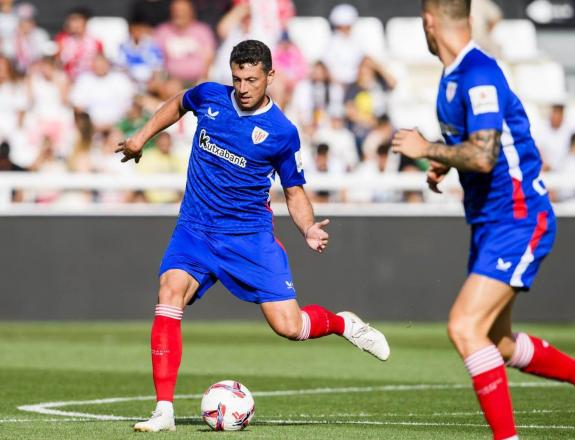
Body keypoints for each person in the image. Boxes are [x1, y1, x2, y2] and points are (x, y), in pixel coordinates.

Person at [116, 39, 390, 432]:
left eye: (251, 79)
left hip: (248, 237)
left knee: (289, 327)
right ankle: (164, 411)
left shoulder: (281, 132)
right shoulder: (211, 97)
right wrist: (141, 137)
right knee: (169, 290)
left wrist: (307, 227)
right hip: (195, 228)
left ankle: (344, 324)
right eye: (237, 78)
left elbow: (294, 190)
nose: (243, 88)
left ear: (270, 77)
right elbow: (178, 102)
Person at [391, 2, 575, 440]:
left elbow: (482, 154)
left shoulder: (479, 74)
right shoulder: (452, 76)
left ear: (429, 23)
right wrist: (443, 158)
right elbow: (473, 146)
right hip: (489, 223)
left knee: (464, 327)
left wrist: (427, 151)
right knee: (496, 342)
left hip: (518, 218)